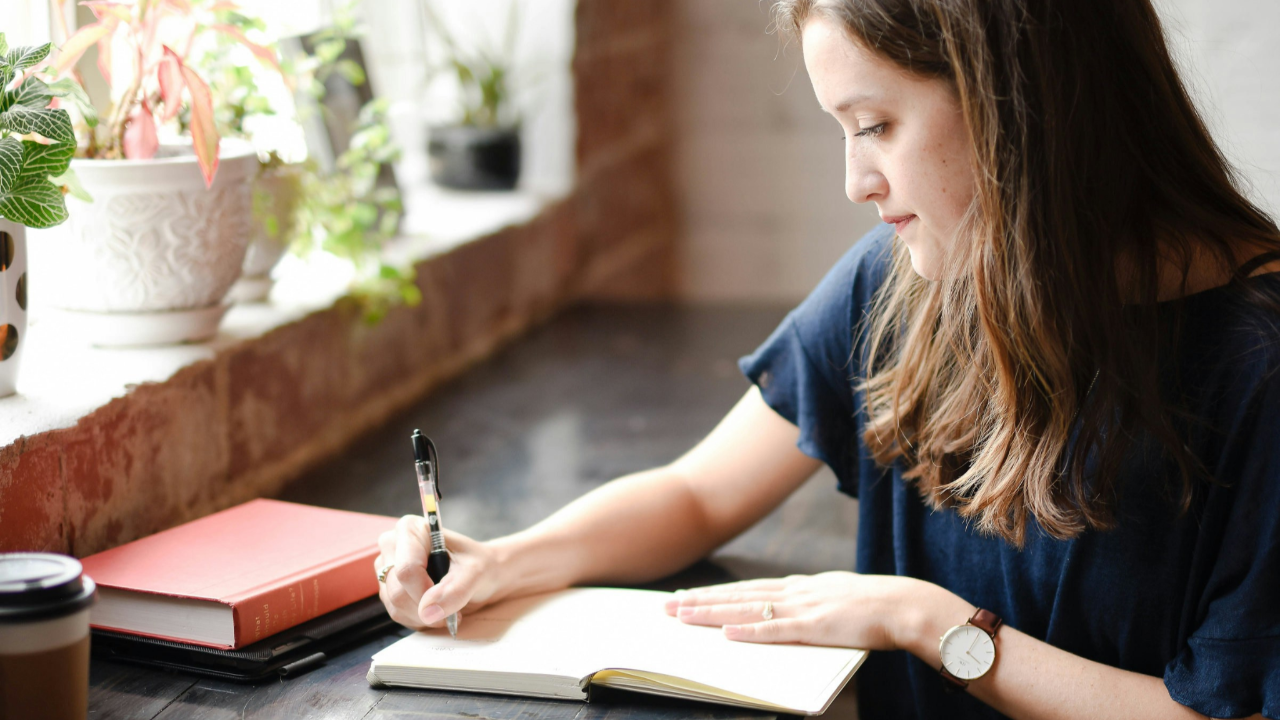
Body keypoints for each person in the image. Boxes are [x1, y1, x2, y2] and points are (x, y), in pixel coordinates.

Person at [376, 1, 1280, 717]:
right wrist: (506, 561)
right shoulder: (908, 278)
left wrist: (928, 623)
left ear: (1023, 104)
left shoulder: (1260, 367)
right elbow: (698, 493)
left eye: (876, 124)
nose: (856, 181)